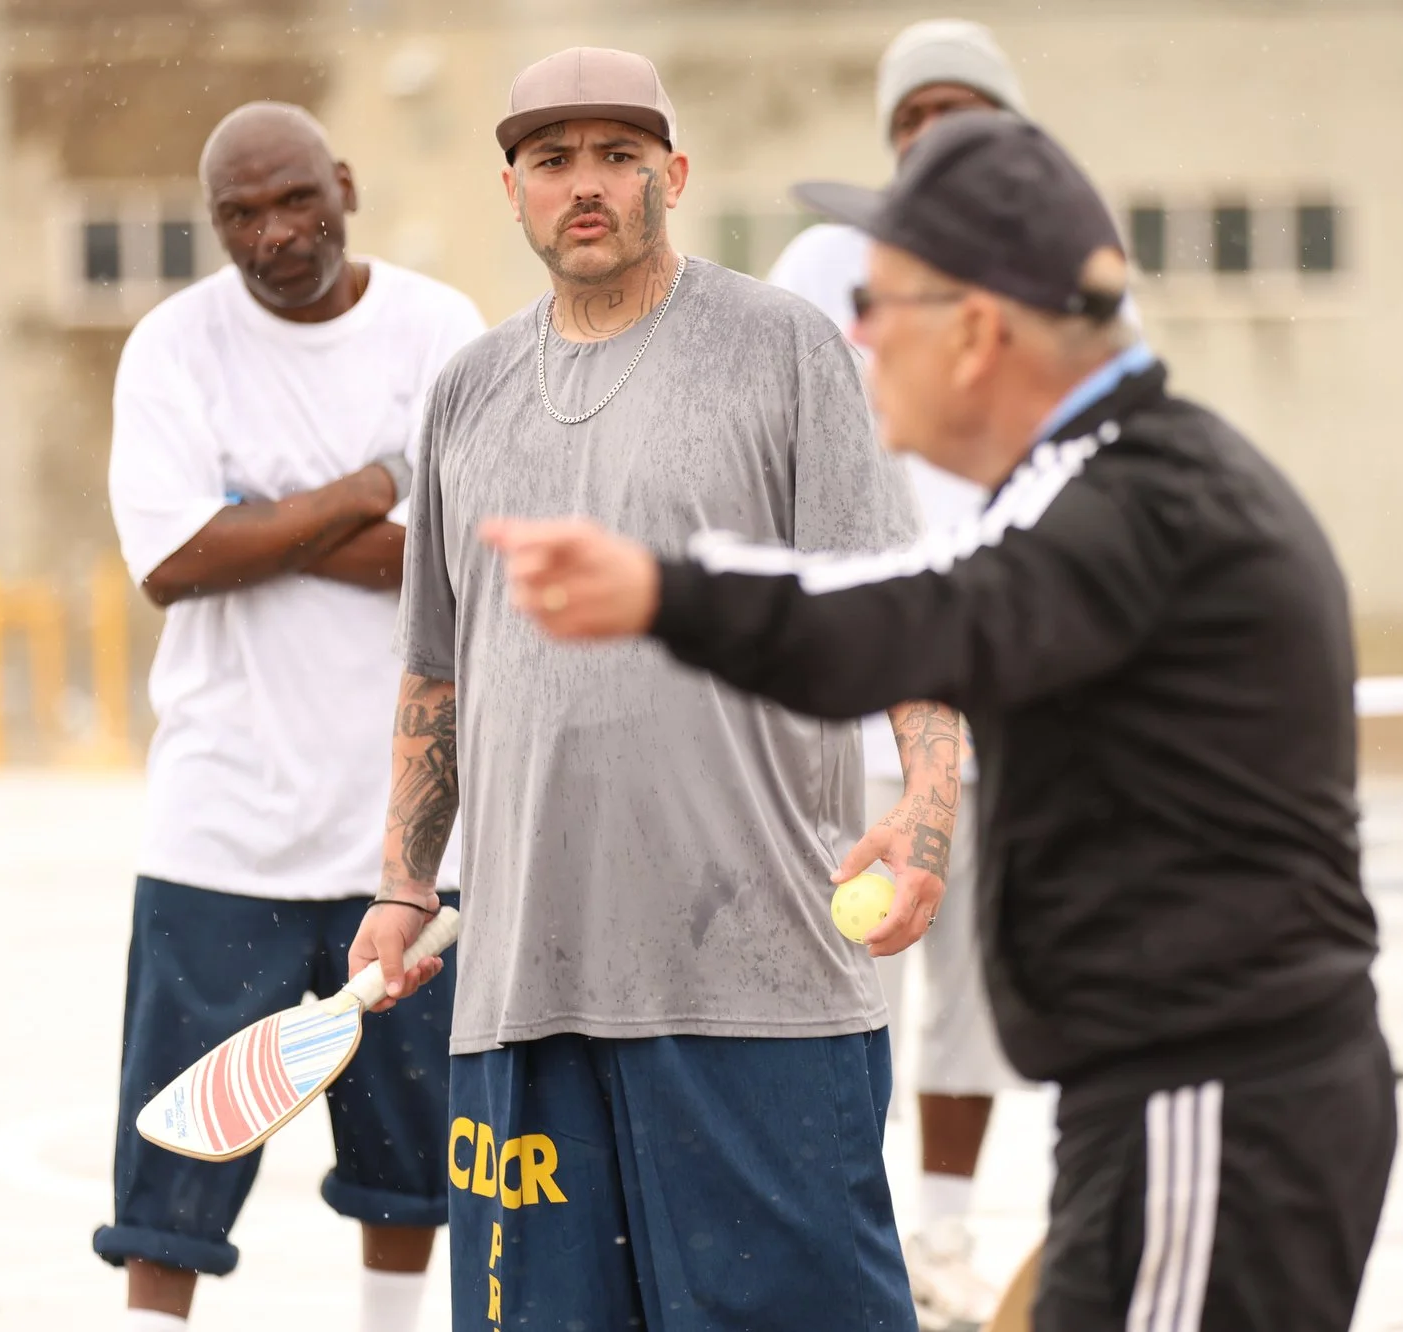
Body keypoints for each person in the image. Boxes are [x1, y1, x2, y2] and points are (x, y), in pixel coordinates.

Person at [484, 111, 1398, 1332]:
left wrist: (660, 590)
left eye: (883, 303)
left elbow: (916, 615)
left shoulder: (1139, 502)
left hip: (1211, 1099)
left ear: (975, 333)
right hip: (1171, 1100)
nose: (856, 334)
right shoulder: (1109, 475)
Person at [347, 46, 958, 1332]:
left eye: (619, 156)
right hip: (521, 994)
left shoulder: (780, 348)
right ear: (508, 187)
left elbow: (905, 612)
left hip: (757, 988)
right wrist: (406, 884)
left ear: (671, 175)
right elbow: (435, 670)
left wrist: (927, 808)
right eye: (552, 158)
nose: (587, 185)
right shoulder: (464, 392)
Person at [97, 102, 484, 1332]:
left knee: (412, 1153)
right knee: (173, 1152)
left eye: (294, 200)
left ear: (347, 185)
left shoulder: (442, 334)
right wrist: (374, 487)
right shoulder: (171, 345)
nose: (273, 234)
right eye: (240, 215)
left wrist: (252, 522)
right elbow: (171, 564)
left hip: (405, 831)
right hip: (221, 823)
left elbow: (453, 563)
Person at [765, 22, 1032, 1328]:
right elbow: (763, 437)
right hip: (853, 707)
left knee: (973, 1000)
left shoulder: (1064, 275)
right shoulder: (827, 263)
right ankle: (845, 1227)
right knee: (846, 987)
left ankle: (943, 1234)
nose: (936, 127)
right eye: (915, 109)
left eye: (964, 107)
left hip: (1003, 700)